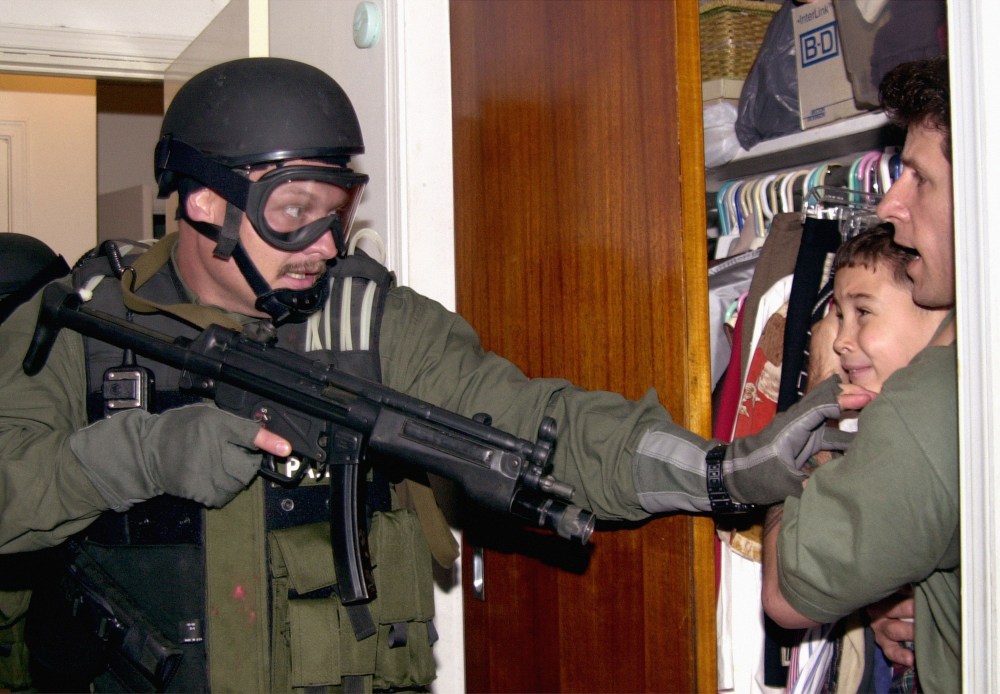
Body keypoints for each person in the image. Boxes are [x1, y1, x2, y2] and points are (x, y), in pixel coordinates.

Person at [0, 57, 853, 693]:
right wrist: (136, 459)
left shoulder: (371, 324)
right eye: (294, 214)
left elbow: (531, 424)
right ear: (204, 204)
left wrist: (719, 470)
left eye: (337, 217)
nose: (327, 248)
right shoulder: (77, 329)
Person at [760, 55, 958, 693]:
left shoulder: (930, 403)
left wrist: (808, 419)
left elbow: (786, 594)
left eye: (919, 179)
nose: (893, 202)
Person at [769, 223, 951, 693]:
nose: (840, 340)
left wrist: (817, 396)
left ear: (936, 315)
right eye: (838, 317)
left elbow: (787, 592)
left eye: (863, 312)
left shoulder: (922, 427)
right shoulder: (887, 423)